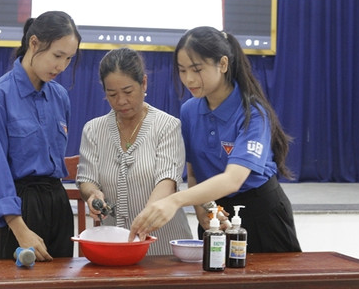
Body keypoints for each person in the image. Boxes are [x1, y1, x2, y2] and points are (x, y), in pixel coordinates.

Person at [129, 27, 301, 254]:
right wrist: (203, 208)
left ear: (222, 64)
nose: (188, 79)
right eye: (182, 70)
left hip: (261, 214)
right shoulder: (190, 110)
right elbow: (193, 171)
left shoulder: (253, 113)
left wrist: (175, 201)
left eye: (197, 69)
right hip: (216, 215)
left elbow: (233, 180)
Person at [0, 11, 82, 261]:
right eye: (57, 56)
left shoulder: (59, 96)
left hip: (57, 204)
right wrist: (20, 229)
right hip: (18, 212)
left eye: (69, 59)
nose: (61, 66)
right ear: (34, 43)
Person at [76, 47, 193, 255]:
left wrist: (147, 217)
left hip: (163, 249)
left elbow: (167, 180)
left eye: (128, 92)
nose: (121, 101)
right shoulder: (93, 129)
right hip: (114, 248)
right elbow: (86, 178)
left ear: (144, 83)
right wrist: (93, 194)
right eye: (112, 94)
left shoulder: (167, 126)